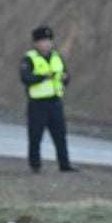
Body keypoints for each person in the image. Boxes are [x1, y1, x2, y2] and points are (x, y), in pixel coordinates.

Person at [20, 25, 77, 173]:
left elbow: (66, 76)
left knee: (60, 135)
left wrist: (65, 78)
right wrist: (43, 77)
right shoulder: (29, 58)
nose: (46, 44)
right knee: (35, 135)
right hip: (37, 103)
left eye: (48, 40)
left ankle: (64, 164)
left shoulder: (57, 57)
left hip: (55, 102)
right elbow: (26, 78)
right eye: (43, 41)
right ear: (36, 43)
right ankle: (35, 165)